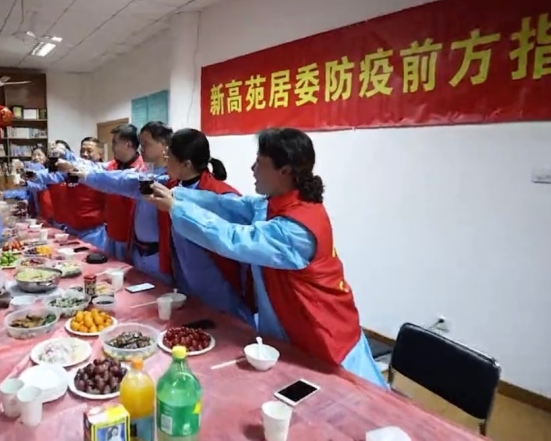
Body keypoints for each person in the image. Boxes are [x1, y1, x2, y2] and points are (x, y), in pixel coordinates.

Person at [144, 128, 386, 387]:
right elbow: (227, 204)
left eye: (259, 163)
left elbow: (233, 239)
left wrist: (176, 208)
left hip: (324, 332)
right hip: (289, 328)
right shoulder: (272, 203)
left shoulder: (297, 229)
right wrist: (179, 194)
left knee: (349, 401)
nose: (252, 168)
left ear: (285, 171)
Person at [75, 129, 252, 323]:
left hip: (215, 279)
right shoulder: (171, 184)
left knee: (225, 325)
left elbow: (243, 249)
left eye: (169, 158)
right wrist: (86, 176)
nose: (165, 162)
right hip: (181, 273)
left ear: (186, 164)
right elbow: (125, 182)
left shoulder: (223, 196)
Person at [71, 121, 172, 280]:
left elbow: (120, 181)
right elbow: (105, 173)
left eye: (146, 143)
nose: (141, 148)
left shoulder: (168, 178)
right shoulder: (144, 170)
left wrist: (86, 176)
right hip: (133, 243)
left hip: (156, 251)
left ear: (164, 145)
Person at [28, 138, 107, 250]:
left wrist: (66, 153)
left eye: (89, 151)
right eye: (82, 151)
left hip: (94, 233)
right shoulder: (72, 170)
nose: (84, 154)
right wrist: (31, 176)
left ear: (100, 153)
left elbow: (88, 167)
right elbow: (51, 175)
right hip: (71, 230)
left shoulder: (102, 171)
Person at [101, 123, 145, 260]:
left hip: (130, 238)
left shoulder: (143, 169)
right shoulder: (111, 166)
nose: (112, 147)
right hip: (111, 233)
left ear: (128, 144)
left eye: (115, 142)